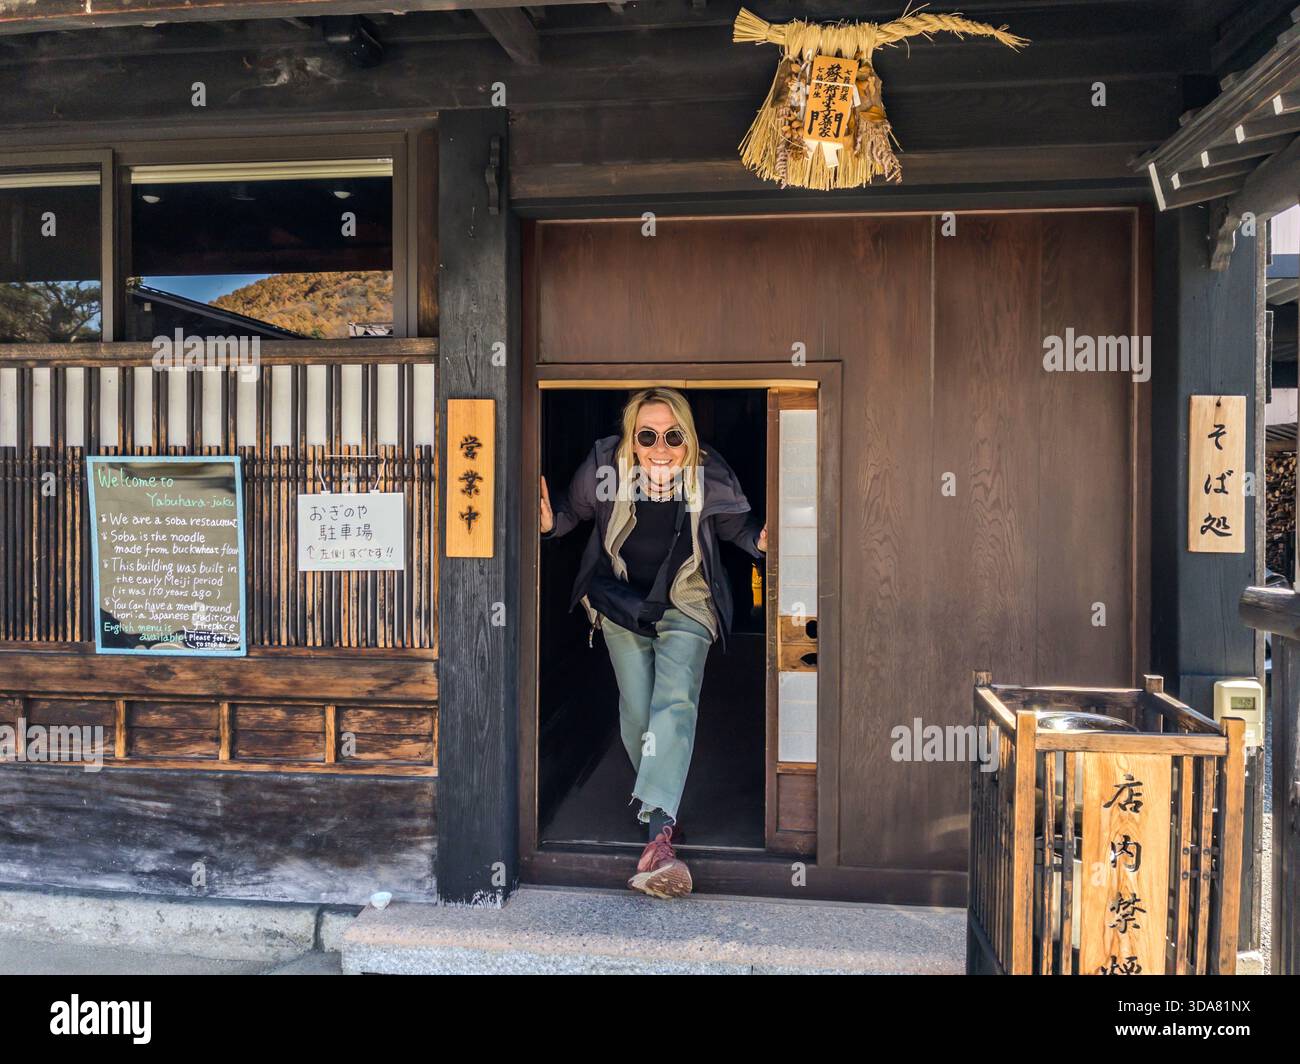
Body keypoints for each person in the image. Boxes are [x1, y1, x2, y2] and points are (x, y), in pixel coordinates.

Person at [540, 387, 766, 899]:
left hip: (686, 601)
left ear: (689, 437)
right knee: (639, 713)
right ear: (631, 440)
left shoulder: (708, 474)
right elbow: (572, 515)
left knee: (674, 702)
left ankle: (658, 839)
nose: (660, 448)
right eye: (647, 436)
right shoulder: (604, 465)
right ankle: (663, 805)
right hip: (622, 604)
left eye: (672, 436)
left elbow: (736, 528)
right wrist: (550, 523)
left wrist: (762, 541)